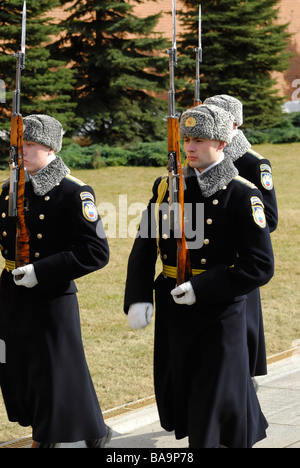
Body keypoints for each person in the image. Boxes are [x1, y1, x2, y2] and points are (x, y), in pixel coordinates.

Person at [124, 104, 274, 448]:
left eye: (199, 140)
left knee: (214, 396)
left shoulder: (242, 193)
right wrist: (138, 297)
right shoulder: (167, 187)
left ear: (222, 144)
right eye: (186, 139)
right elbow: (144, 245)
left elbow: (259, 265)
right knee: (181, 386)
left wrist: (201, 288)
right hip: (174, 306)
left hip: (219, 311)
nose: (189, 147)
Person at [0, 114, 111, 448]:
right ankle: (95, 430)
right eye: (18, 145)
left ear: (50, 149)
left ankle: (47, 437)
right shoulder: (10, 187)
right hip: (11, 290)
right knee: (20, 364)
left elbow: (96, 252)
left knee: (53, 369)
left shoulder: (74, 192)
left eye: (29, 145)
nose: (21, 151)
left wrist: (41, 271)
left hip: (51, 294)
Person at [204, 94, 278, 378]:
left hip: (238, 262)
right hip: (205, 261)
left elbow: (267, 219)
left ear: (233, 124)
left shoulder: (253, 164)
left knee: (243, 333)